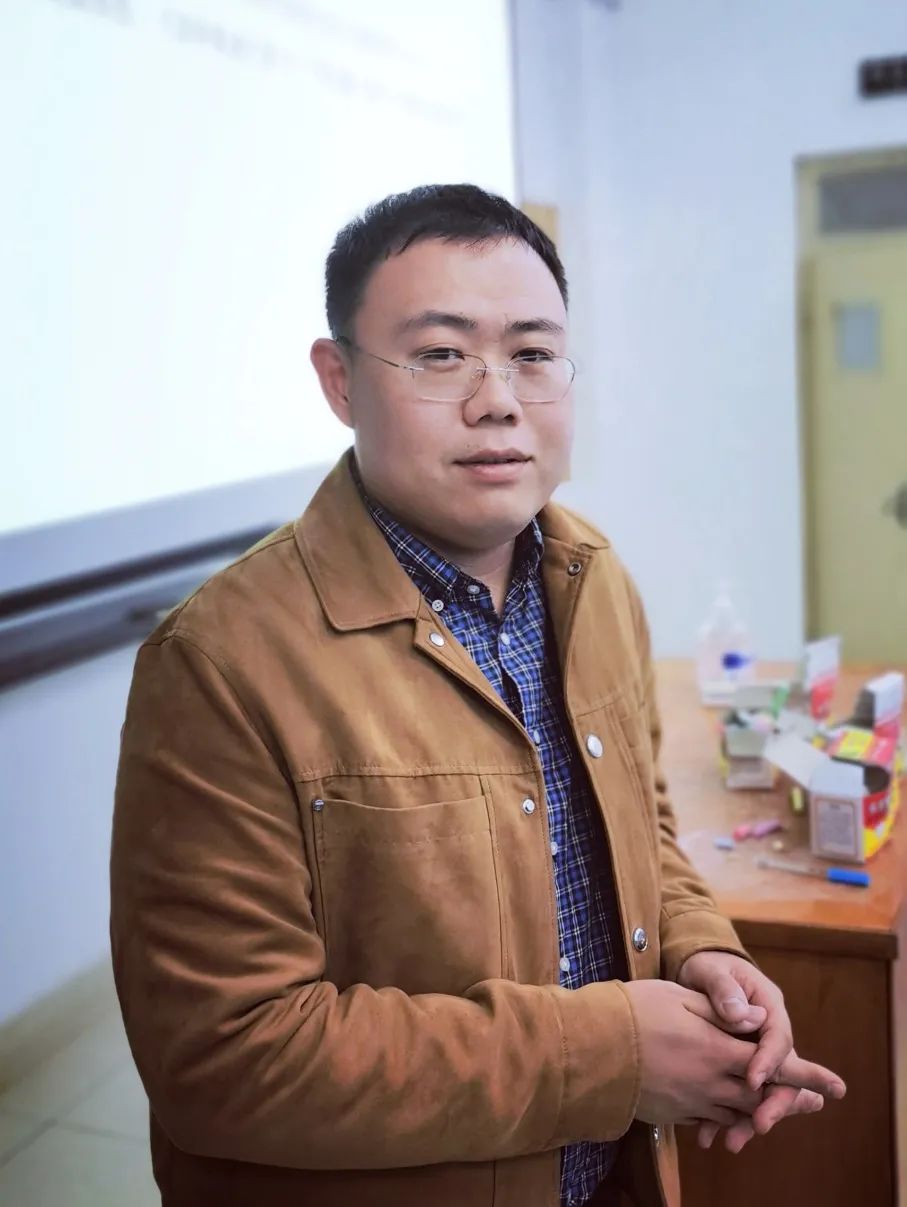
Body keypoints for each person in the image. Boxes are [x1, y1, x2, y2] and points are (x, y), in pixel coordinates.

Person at [110, 184, 845, 1207]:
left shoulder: (594, 580)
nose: (497, 398)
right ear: (339, 380)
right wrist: (614, 1053)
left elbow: (646, 836)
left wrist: (701, 951)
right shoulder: (220, 659)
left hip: (616, 1174)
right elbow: (223, 1059)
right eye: (440, 354)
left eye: (533, 353)